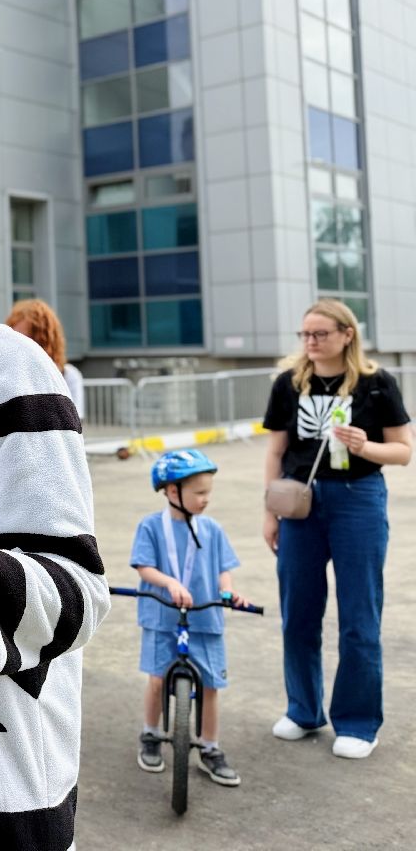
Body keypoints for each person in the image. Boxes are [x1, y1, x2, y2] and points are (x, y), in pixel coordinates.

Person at [261, 298, 412, 759]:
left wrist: (366, 447)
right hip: (299, 502)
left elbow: (403, 451)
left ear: (348, 335)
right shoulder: (289, 383)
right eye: (305, 334)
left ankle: (358, 723)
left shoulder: (376, 383)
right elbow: (275, 451)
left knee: (359, 616)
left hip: (358, 500)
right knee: (299, 614)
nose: (310, 342)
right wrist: (269, 512)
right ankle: (303, 710)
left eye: (320, 334)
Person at [131, 449, 247, 787]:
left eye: (208, 492)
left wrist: (228, 592)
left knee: (210, 686)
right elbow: (144, 566)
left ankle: (210, 748)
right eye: (199, 492)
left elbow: (224, 569)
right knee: (157, 680)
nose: (206, 499)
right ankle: (151, 733)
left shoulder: (212, 529)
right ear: (172, 491)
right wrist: (170, 583)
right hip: (162, 617)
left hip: (206, 619)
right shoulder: (151, 526)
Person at [6, 298, 85, 421]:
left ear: (45, 341)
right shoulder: (7, 375)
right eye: (15, 338)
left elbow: (73, 422)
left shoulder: (68, 376)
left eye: (28, 339)